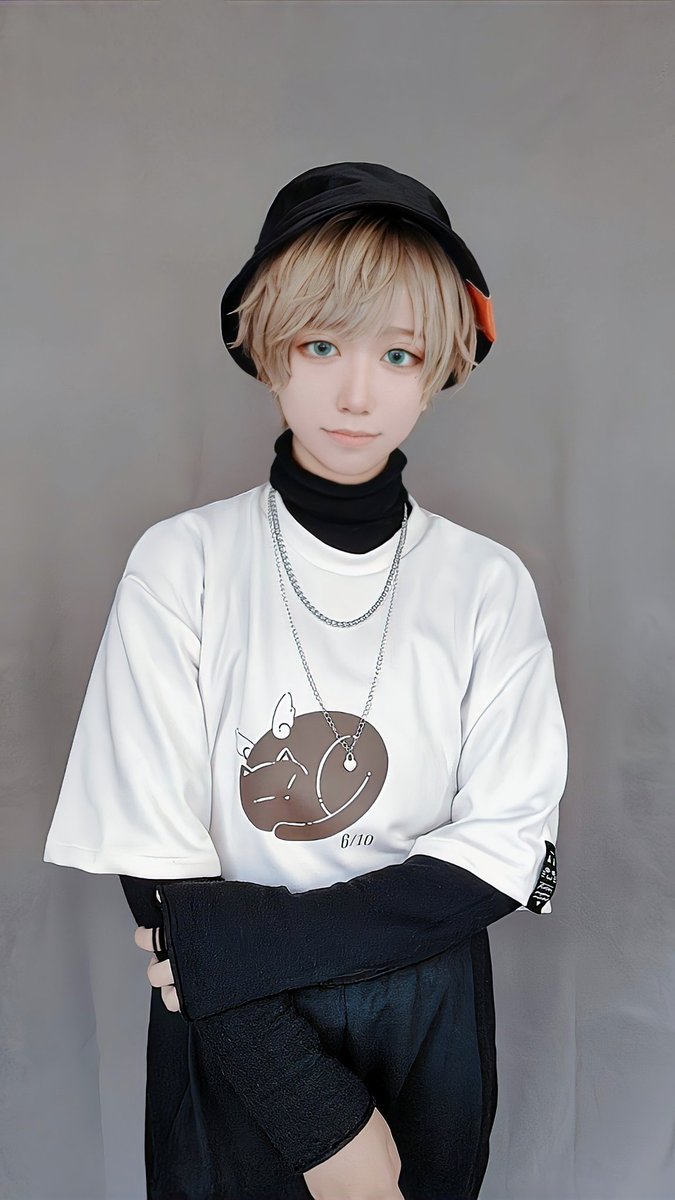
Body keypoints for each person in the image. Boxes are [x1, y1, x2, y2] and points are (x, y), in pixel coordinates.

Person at [43, 161, 569, 1200]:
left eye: (397, 353)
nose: (356, 393)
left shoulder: (485, 585)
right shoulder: (183, 564)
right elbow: (157, 862)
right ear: (268, 346)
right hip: (238, 1028)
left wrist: (227, 947)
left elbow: (501, 853)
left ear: (440, 366)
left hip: (416, 1012)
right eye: (321, 345)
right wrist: (316, 1115)